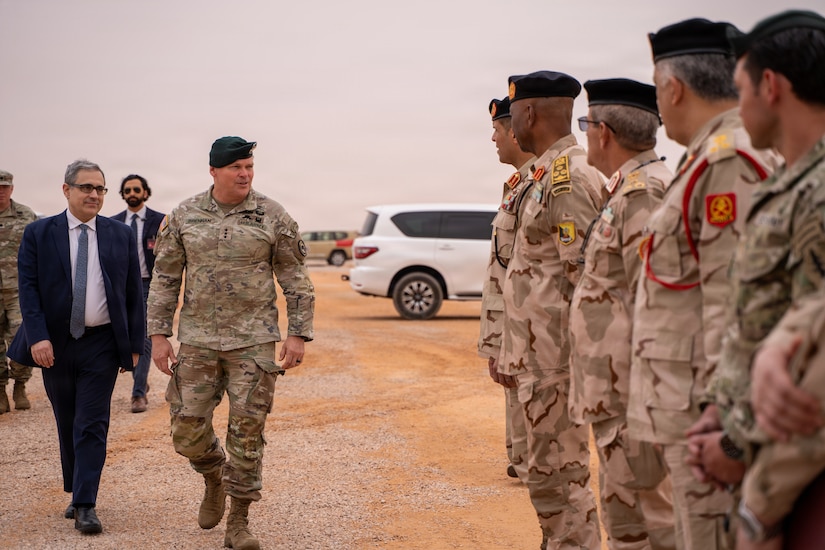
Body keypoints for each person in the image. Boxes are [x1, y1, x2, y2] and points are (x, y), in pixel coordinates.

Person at [625, 18, 780, 550]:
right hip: (688, 408)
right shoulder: (704, 159)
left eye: (659, 89)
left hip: (705, 418)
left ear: (673, 87)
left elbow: (736, 306)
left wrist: (725, 429)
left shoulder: (728, 161)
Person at [679, 10, 825, 550]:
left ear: (770, 85)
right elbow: (761, 322)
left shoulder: (818, 195)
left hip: (790, 481)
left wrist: (737, 452)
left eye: (739, 90)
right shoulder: (788, 182)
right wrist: (720, 412)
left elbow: (811, 371)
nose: (736, 107)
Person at [147, 136, 315, 550]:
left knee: (247, 432)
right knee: (186, 432)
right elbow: (165, 280)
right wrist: (158, 336)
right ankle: (212, 475)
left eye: (249, 166)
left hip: (254, 342)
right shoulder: (184, 216)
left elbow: (295, 279)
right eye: (236, 167)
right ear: (214, 171)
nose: (244, 174)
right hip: (199, 340)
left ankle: (238, 523)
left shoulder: (272, 215)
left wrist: (297, 333)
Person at [8, 159, 144, 534]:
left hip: (101, 344)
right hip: (55, 345)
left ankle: (86, 502)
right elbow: (29, 289)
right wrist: (37, 337)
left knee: (91, 423)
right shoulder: (38, 233)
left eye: (99, 188)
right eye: (86, 187)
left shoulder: (118, 234)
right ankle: (76, 488)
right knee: (67, 421)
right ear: (66, 190)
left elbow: (134, 292)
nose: (94, 195)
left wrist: (135, 344)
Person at [500, 70, 606, 549]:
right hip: (539, 359)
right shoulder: (543, 174)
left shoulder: (568, 178)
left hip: (559, 362)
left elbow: (588, 279)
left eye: (513, 109)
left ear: (529, 112)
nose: (511, 120)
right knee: (546, 479)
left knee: (563, 479)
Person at [569, 78, 675, 550]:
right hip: (618, 397)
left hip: (635, 401)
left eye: (585, 124)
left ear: (603, 131)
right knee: (628, 522)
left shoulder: (645, 195)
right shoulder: (628, 190)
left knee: (651, 526)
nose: (586, 133)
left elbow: (659, 307)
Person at [478, 96, 535, 482]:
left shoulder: (541, 183)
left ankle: (533, 462)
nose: (493, 139)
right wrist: (497, 340)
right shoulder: (517, 185)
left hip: (533, 333)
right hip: (512, 330)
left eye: (497, 130)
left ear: (514, 131)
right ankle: (523, 458)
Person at [111, 174, 165, 413]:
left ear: (145, 192)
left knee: (143, 338)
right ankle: (140, 378)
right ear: (123, 195)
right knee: (121, 338)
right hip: (120, 287)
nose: (132, 193)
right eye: (127, 190)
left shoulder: (161, 221)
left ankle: (138, 394)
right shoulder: (113, 223)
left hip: (149, 285)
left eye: (136, 189)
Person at [0, 169, 37, 413]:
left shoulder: (26, 216)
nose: (0, 192)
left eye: (4, 187)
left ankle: (20, 385)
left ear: (11, 189)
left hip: (18, 292)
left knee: (22, 339)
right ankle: (0, 390)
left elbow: (38, 253)